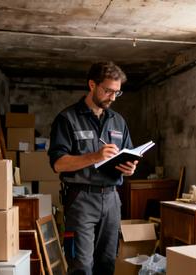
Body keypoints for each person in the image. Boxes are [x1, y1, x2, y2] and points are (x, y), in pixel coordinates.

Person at [48, 61, 138, 275]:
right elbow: (58, 164)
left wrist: (130, 168)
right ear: (92, 85)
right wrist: (95, 156)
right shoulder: (67, 119)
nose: (113, 97)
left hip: (112, 199)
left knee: (106, 263)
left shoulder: (118, 121)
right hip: (81, 199)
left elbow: (130, 154)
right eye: (108, 91)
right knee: (81, 266)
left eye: (117, 92)